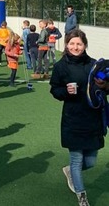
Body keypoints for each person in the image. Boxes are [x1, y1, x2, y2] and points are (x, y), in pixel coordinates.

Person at [50, 29, 102, 206]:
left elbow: (105, 85)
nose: (75, 47)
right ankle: (82, 197)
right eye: (72, 43)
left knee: (91, 160)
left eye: (79, 44)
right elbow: (54, 89)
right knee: (77, 158)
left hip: (92, 118)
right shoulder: (60, 66)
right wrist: (65, 91)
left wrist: (104, 84)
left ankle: (70, 171)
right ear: (66, 45)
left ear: (85, 45)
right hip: (72, 118)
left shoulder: (94, 65)